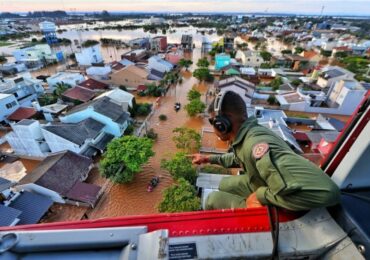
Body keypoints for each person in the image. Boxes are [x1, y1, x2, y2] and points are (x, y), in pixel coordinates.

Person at [189, 90, 340, 211]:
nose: (213, 126)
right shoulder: (247, 135)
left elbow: (328, 193)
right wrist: (208, 158)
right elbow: (238, 157)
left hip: (271, 192)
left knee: (212, 200)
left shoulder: (255, 145)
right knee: (225, 184)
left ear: (223, 123)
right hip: (261, 182)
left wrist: (259, 197)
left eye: (212, 121)